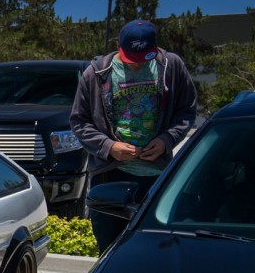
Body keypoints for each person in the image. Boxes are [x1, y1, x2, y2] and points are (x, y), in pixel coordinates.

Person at [70, 19, 197, 252]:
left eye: (144, 58)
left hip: (157, 177)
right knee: (110, 251)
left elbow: (186, 110)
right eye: (132, 59)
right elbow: (79, 121)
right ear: (118, 45)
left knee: (154, 250)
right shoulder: (97, 73)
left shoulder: (172, 66)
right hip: (110, 175)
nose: (137, 65)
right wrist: (109, 147)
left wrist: (166, 140)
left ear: (155, 48)